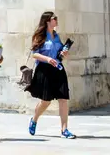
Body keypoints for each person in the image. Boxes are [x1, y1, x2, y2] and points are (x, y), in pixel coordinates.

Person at [26, 11, 75, 139]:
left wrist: (64, 54)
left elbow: (60, 51)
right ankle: (34, 119)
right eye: (54, 18)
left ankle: (64, 129)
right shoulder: (40, 36)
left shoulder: (56, 36)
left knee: (63, 99)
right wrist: (47, 59)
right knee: (46, 101)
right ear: (48, 21)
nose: (56, 20)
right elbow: (35, 54)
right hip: (44, 70)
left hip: (58, 69)